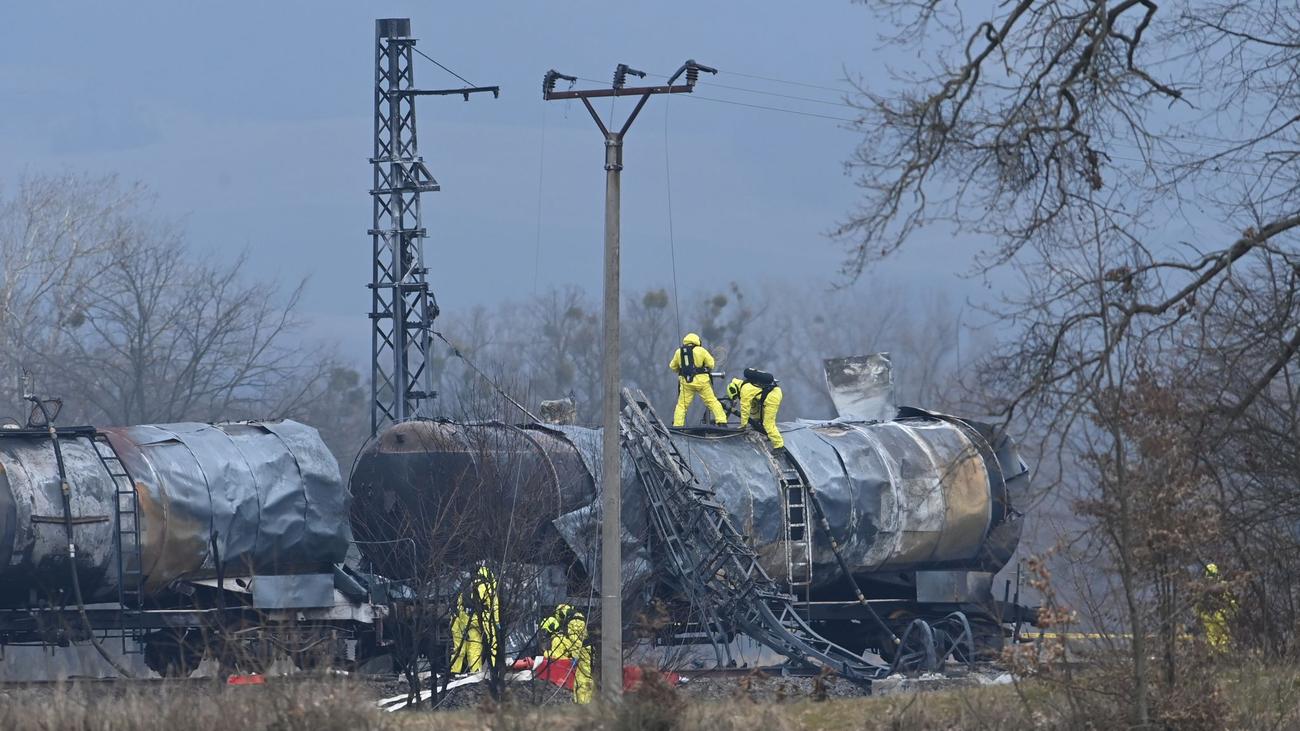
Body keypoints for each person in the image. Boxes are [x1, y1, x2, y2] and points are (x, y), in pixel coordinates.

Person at [669, 333, 727, 427]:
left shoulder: (679, 352)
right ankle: (721, 422)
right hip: (702, 383)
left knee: (682, 405)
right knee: (712, 401)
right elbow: (711, 364)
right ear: (697, 341)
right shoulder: (701, 350)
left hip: (686, 383)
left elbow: (672, 367)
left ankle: (677, 425)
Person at [539, 603, 593, 704]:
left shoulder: (574, 622)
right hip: (584, 654)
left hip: (583, 656)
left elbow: (576, 642)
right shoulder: (574, 621)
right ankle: (582, 702)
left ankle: (584, 703)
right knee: (581, 680)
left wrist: (576, 657)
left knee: (583, 680)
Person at [450, 565, 499, 674]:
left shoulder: (466, 585)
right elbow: (493, 606)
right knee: (492, 644)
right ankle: (492, 671)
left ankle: (472, 671)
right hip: (483, 618)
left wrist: (464, 621)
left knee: (473, 646)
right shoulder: (488, 586)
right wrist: (496, 622)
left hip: (467, 620)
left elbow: (459, 604)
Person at [727, 368, 784, 451]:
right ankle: (763, 428)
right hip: (774, 392)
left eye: (737, 396)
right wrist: (755, 421)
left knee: (768, 424)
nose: (738, 398)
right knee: (756, 407)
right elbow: (753, 406)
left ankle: (779, 446)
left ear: (735, 390)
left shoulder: (745, 390)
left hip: (773, 397)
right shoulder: (747, 384)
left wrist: (743, 425)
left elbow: (745, 409)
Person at [1197, 563, 1236, 653]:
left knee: (1221, 638)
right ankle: (1218, 654)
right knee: (1214, 639)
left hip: (1220, 616)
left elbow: (1231, 601)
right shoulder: (1206, 588)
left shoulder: (1221, 586)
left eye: (1212, 575)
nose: (1211, 578)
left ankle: (1222, 654)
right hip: (1211, 617)